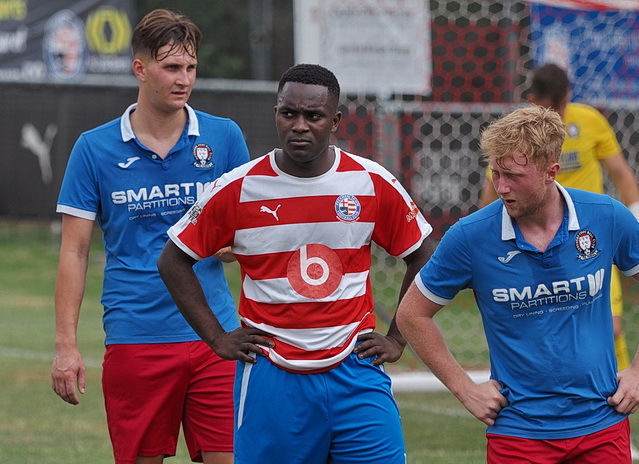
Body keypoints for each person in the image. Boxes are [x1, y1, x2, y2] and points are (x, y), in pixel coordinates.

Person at [157, 63, 433, 464]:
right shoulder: (238, 188)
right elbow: (173, 260)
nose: (300, 126)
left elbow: (422, 253)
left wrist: (397, 338)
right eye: (289, 113)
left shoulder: (370, 182)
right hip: (272, 376)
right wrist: (218, 338)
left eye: (314, 116)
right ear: (276, 114)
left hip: (355, 370)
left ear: (335, 121)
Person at [396, 105, 639, 463]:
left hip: (602, 425)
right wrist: (465, 389)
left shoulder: (605, 216)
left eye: (512, 176)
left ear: (551, 172)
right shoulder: (470, 237)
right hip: (518, 433)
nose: (500, 186)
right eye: (495, 173)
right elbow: (412, 315)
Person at [51, 9, 250, 464]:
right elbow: (75, 251)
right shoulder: (93, 148)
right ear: (140, 68)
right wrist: (66, 346)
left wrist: (231, 247)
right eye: (172, 67)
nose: (184, 79)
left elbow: (251, 232)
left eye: (191, 67)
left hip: (216, 336)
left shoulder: (224, 137)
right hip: (136, 339)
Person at [479, 63, 639, 459]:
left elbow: (622, 174)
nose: (560, 111)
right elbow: (492, 190)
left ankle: (616, 420)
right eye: (551, 105)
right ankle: (541, 420)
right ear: (533, 101)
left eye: (564, 103)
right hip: (528, 247)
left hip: (588, 248)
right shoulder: (517, 140)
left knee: (611, 330)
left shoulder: (590, 122)